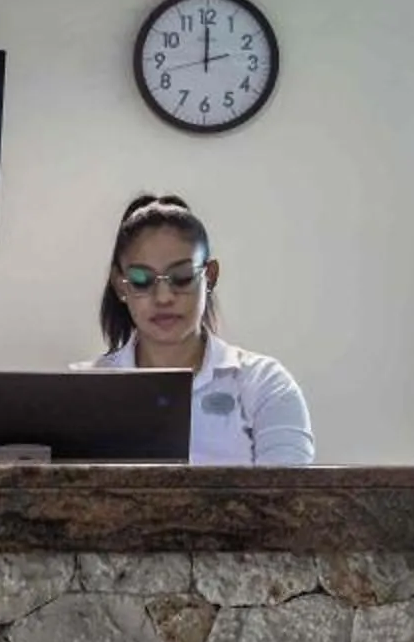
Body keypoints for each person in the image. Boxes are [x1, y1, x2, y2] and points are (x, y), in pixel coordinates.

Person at [81, 193, 314, 466]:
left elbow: (292, 498)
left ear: (210, 276)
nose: (164, 297)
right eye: (142, 279)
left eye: (182, 277)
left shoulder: (264, 384)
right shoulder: (86, 391)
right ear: (121, 285)